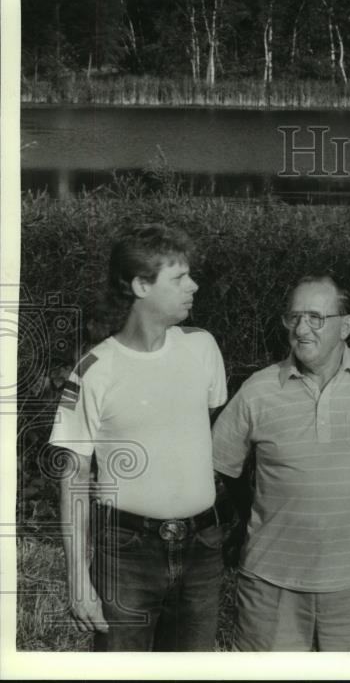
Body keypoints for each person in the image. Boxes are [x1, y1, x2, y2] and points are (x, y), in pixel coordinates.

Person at [50, 223, 228, 651]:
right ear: (140, 285)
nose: (194, 285)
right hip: (126, 554)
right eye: (179, 277)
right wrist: (79, 582)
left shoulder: (203, 347)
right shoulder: (95, 370)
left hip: (203, 549)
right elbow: (74, 477)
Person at [212, 274, 350, 651]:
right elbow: (220, 465)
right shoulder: (259, 389)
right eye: (293, 317)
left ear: (345, 326)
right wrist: (249, 514)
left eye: (316, 317)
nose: (301, 329)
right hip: (271, 585)